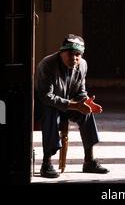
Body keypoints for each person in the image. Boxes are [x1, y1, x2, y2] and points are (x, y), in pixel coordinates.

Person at [36, 34, 109, 178]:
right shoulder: (47, 64)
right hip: (47, 105)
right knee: (50, 114)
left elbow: (80, 91)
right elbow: (46, 97)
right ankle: (46, 163)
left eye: (78, 55)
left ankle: (89, 161)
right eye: (70, 54)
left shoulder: (82, 65)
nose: (74, 58)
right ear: (61, 52)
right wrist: (75, 105)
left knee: (86, 112)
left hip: (69, 105)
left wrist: (85, 101)